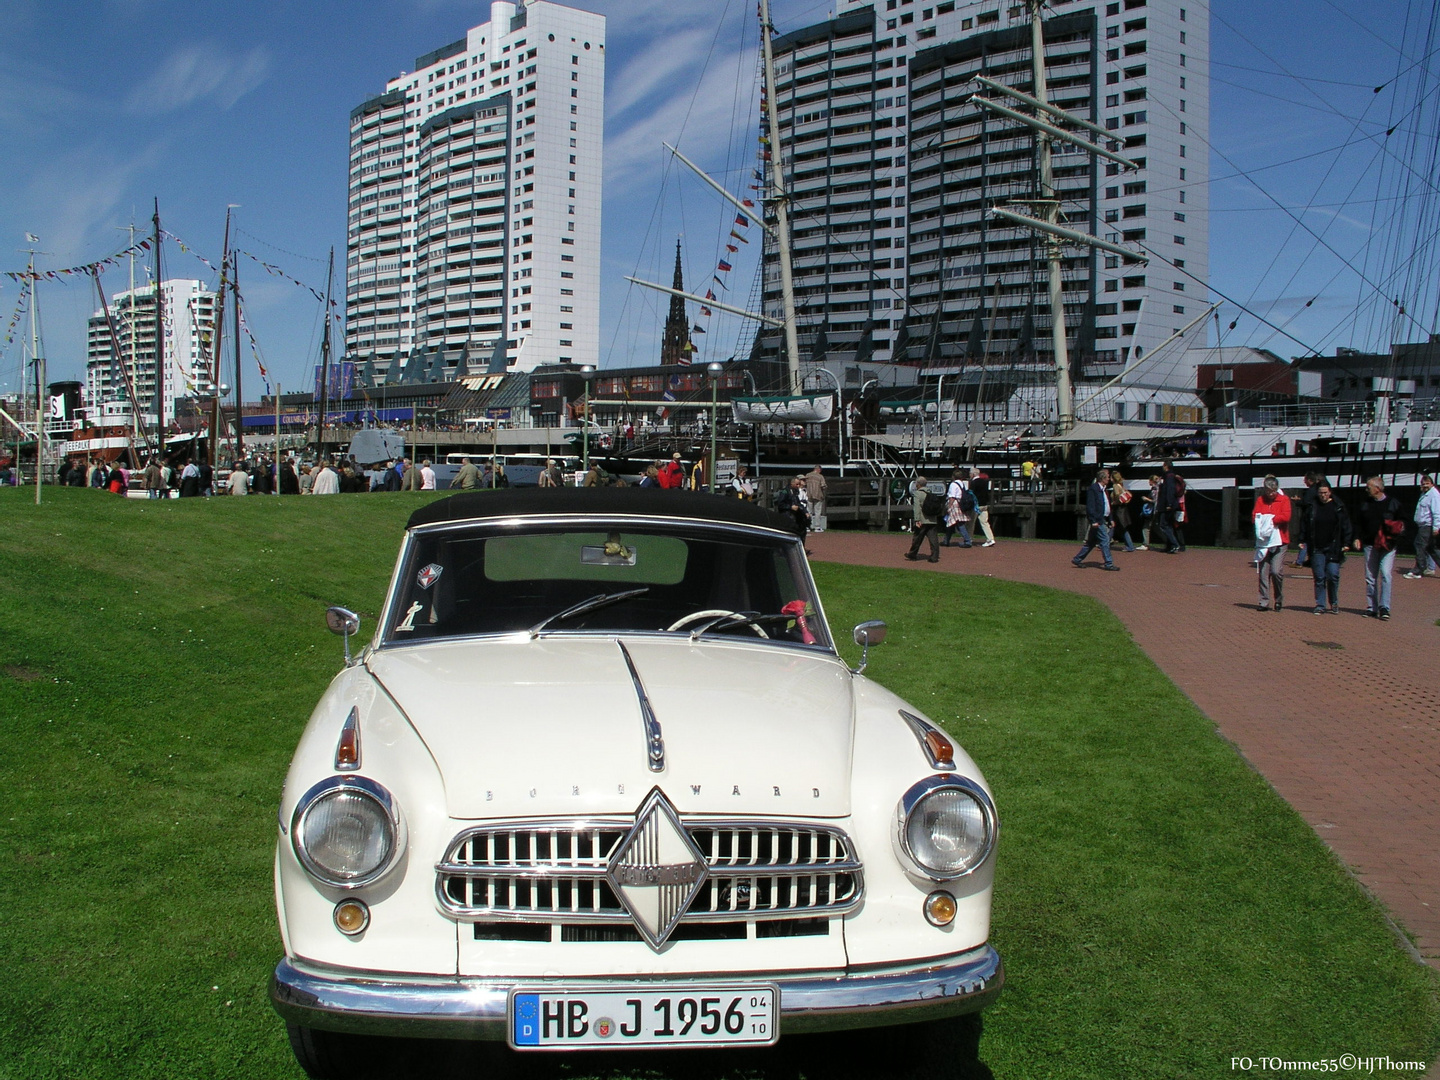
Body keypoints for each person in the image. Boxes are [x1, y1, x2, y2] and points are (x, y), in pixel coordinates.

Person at [1356, 476, 1406, 620]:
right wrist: (1357, 537)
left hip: (1388, 545)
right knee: (1370, 577)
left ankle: (1384, 607)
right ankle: (1372, 607)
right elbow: (1359, 522)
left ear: (1377, 488)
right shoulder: (1365, 504)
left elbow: (1403, 522)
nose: (1366, 489)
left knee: (1385, 574)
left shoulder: (1393, 503)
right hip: (1370, 544)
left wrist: (1397, 535)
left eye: (1369, 487)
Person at [1307, 482, 1353, 614]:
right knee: (1319, 576)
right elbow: (1306, 523)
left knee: (1332, 575)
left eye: (1325, 493)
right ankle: (1320, 604)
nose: (1323, 495)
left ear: (1330, 492)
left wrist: (1346, 542)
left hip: (1333, 546)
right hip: (1317, 547)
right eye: (1321, 493)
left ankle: (1333, 601)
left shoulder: (1338, 507)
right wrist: (1303, 540)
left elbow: (1346, 525)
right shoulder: (1312, 506)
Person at [1252, 475, 1292, 611]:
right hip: (1264, 542)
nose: (1271, 494)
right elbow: (1255, 515)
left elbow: (1286, 516)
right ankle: (1263, 601)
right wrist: (1261, 520)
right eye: (1268, 491)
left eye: (1273, 491)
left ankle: (1278, 598)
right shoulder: (1260, 500)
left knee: (1276, 571)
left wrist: (1271, 519)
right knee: (1263, 572)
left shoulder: (1284, 499)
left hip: (1280, 540)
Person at [1072, 468, 1120, 570]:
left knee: (1091, 543)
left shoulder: (1104, 490)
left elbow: (1107, 505)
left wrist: (1111, 518)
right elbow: (1091, 506)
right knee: (1105, 540)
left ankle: (1077, 559)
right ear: (1102, 478)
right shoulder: (1093, 489)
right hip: (1098, 520)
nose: (1109, 479)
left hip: (1104, 518)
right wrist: (1093, 520)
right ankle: (1109, 563)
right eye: (1107, 477)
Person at [1403, 473, 1438, 579]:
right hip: (1423, 525)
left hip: (1427, 526)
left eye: (1427, 483)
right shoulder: (1424, 494)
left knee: (1419, 545)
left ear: (1432, 484)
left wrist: (1436, 527)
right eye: (1423, 484)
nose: (1425, 486)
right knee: (1432, 549)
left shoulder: (1434, 495)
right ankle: (1420, 568)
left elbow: (1437, 512)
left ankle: (1418, 570)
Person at [904, 475, 941, 563]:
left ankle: (912, 554)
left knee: (917, 538)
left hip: (922, 520)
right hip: (932, 519)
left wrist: (917, 519)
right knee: (933, 539)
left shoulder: (918, 494)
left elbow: (917, 508)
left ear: (918, 484)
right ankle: (935, 556)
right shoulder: (931, 493)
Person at [1292, 471, 1324, 568]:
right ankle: (1310, 559)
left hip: (1309, 518)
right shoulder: (1317, 490)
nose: (1304, 482)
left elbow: (1306, 503)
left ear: (1310, 480)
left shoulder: (1312, 490)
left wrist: (1297, 501)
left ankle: (1300, 560)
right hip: (1315, 518)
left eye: (1305, 480)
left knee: (1305, 538)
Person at [1155, 459, 1186, 553]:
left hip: (1167, 505)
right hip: (1170, 504)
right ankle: (1170, 546)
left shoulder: (1169, 477)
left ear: (1166, 466)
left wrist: (1169, 504)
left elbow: (1170, 491)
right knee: (1168, 525)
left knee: (1163, 525)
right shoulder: (1170, 476)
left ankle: (1175, 544)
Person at [940, 468, 972, 548]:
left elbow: (952, 497)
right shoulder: (962, 484)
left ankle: (967, 541)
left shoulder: (953, 484)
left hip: (954, 504)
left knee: (958, 523)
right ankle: (946, 540)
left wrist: (948, 506)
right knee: (951, 523)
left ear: (954, 476)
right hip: (960, 503)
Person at [1110, 469, 1140, 552]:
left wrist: (1113, 502)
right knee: (1117, 527)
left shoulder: (1115, 486)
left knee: (1119, 527)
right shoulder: (1121, 485)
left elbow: (1117, 496)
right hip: (1123, 508)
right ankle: (1107, 541)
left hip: (1119, 509)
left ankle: (1129, 545)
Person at [774, 476, 811, 541]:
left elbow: (798, 503)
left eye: (799, 484)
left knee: (802, 529)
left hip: (795, 515)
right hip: (787, 515)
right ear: (792, 484)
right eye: (797, 484)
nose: (798, 486)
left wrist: (805, 512)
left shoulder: (795, 492)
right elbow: (780, 504)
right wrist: (790, 507)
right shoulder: (785, 491)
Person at [970, 465, 996, 547]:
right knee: (985, 522)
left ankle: (969, 539)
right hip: (984, 504)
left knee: (971, 523)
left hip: (976, 505)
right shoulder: (984, 482)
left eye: (970, 474)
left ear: (973, 474)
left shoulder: (973, 483)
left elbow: (971, 494)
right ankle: (990, 539)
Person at [804, 465, 828, 531]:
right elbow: (823, 486)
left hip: (809, 495)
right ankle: (817, 527)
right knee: (817, 511)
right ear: (819, 470)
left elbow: (804, 484)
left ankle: (807, 526)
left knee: (809, 511)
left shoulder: (808, 475)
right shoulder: (820, 476)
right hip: (818, 495)